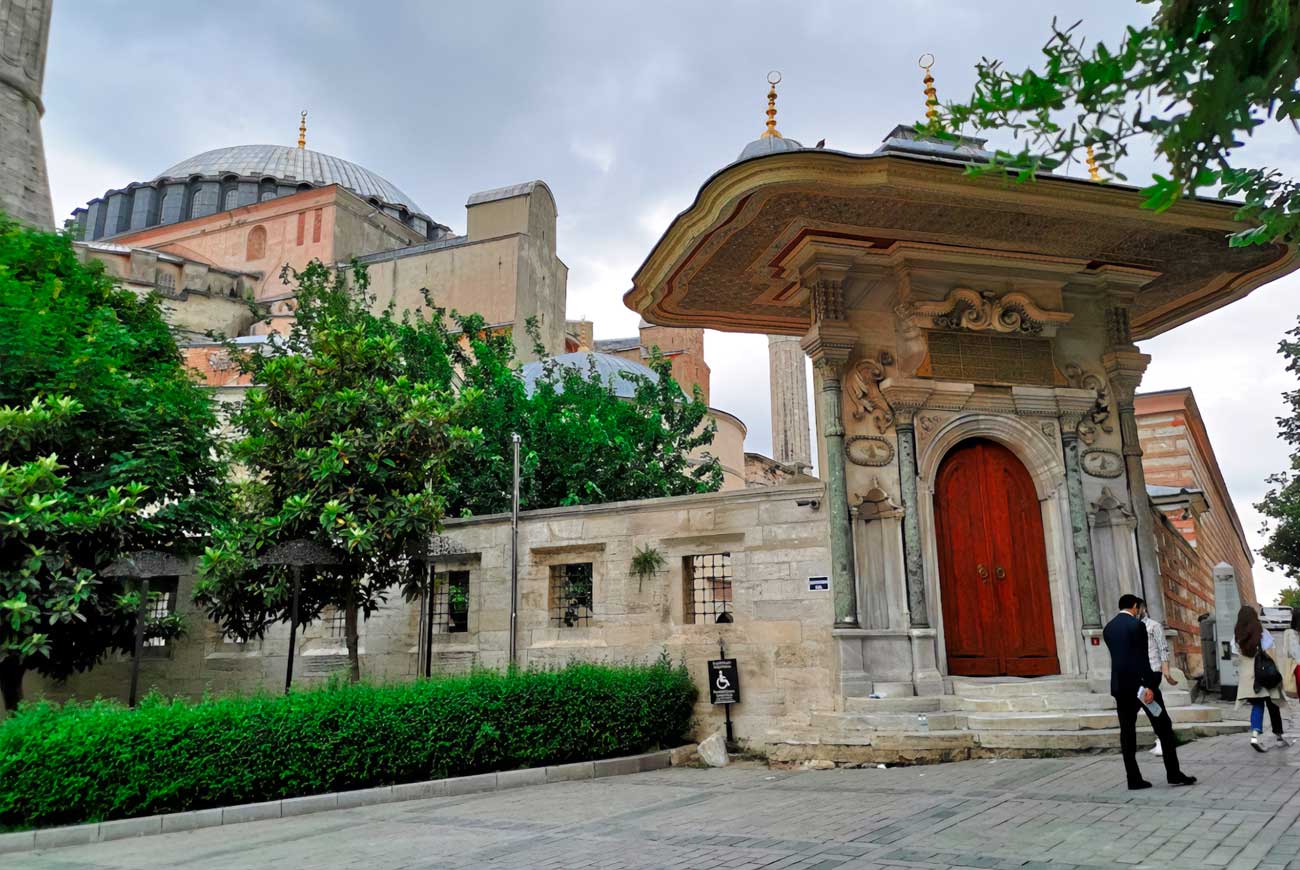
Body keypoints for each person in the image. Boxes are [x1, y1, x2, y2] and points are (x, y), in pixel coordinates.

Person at [1103, 593, 1196, 789]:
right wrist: (1150, 686)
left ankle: (1133, 778)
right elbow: (1141, 659)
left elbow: (1120, 659)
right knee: (1164, 726)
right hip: (1141, 688)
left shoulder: (1109, 628)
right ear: (1135, 606)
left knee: (1127, 732)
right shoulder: (1137, 626)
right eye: (1139, 608)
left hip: (1121, 687)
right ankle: (1174, 773)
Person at [1233, 604, 1291, 751]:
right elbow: (1271, 655)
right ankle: (1278, 738)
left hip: (1249, 681)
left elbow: (1236, 659)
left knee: (1257, 707)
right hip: (1265, 677)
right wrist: (1278, 675)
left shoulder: (1236, 637)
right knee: (1273, 706)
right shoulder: (1262, 633)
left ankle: (1254, 738)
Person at [1137, 598, 1176, 758]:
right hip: (1139, 673)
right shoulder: (1132, 628)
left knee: (1156, 707)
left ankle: (1164, 740)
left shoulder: (1153, 626)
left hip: (1153, 671)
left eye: (1137, 607)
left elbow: (1163, 647)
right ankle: (1161, 738)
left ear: (1143, 608)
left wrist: (1165, 670)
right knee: (1150, 707)